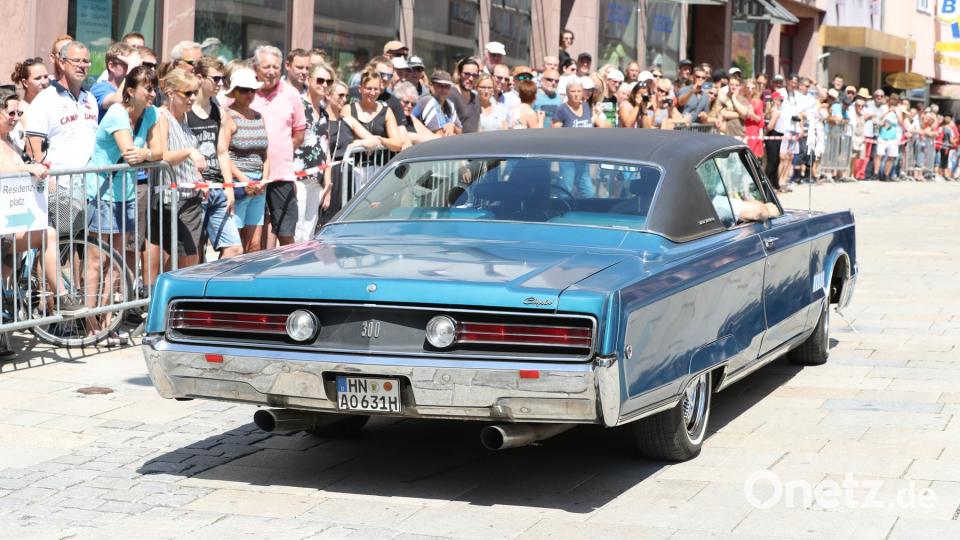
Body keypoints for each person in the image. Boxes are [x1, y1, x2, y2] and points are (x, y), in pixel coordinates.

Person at [84, 66, 161, 341]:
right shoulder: (117, 112)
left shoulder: (151, 113)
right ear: (130, 90)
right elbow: (130, 154)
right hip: (102, 191)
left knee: (115, 261)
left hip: (125, 192)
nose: (152, 93)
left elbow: (159, 150)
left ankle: (107, 321)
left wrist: (148, 153)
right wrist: (147, 153)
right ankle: (90, 320)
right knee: (98, 260)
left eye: (154, 88)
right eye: (147, 88)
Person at [0, 91, 86, 316]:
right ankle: (60, 297)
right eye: (10, 112)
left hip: (10, 221)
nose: (15, 117)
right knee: (46, 235)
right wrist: (26, 168)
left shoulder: (11, 141)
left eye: (18, 112)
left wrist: (40, 171)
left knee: (45, 235)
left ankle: (58, 298)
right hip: (4, 225)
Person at [147, 68, 207, 291]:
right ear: (171, 93)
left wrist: (199, 178)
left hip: (190, 196)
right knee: (185, 258)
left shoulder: (183, 118)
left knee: (188, 257)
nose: (192, 98)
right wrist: (189, 151)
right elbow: (162, 155)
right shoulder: (162, 116)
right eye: (188, 93)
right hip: (171, 197)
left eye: (195, 92)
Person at [250, 45, 306, 248]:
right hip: (252, 176)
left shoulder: (291, 94)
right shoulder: (246, 92)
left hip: (281, 175)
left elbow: (300, 132)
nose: (272, 72)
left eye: (275, 66)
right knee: (254, 239)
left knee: (286, 234)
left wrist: (282, 149)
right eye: (266, 67)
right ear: (255, 68)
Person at [188, 56, 242, 259]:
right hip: (195, 189)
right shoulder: (186, 109)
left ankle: (217, 288)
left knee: (234, 248)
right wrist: (198, 181)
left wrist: (229, 187)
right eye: (215, 79)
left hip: (218, 187)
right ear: (200, 78)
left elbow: (222, 152)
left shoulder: (217, 109)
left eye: (222, 79)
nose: (220, 83)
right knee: (194, 252)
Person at [223, 68, 268, 253]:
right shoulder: (227, 115)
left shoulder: (259, 116)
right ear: (234, 91)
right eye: (244, 89)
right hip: (238, 185)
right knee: (234, 245)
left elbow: (266, 153)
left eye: (253, 90)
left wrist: (264, 179)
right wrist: (244, 180)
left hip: (260, 184)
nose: (249, 94)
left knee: (255, 245)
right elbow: (223, 153)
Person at [292, 63, 332, 243]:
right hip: (297, 176)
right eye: (320, 80)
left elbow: (326, 148)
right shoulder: (298, 105)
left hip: (317, 178)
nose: (324, 85)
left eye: (328, 81)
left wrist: (328, 183)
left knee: (309, 230)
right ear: (309, 81)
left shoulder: (324, 113)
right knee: (296, 228)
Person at [344, 70, 404, 190]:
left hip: (378, 170)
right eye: (368, 88)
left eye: (376, 89)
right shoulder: (348, 109)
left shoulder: (386, 112)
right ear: (360, 88)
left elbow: (397, 144)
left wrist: (380, 140)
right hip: (353, 170)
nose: (372, 92)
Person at [552, 78, 596, 197]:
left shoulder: (587, 106)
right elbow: (554, 132)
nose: (576, 94)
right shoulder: (562, 109)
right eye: (573, 91)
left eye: (578, 91)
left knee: (589, 193)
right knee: (566, 190)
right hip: (568, 158)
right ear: (567, 92)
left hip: (584, 157)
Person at [90, 42, 140, 120]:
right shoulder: (99, 88)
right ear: (111, 66)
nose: (133, 68)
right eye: (127, 64)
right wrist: (130, 70)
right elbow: (117, 101)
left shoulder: (135, 90)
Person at [9, 57, 49, 151]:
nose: (44, 82)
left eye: (46, 77)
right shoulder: (20, 110)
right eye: (38, 78)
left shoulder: (52, 104)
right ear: (25, 82)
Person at [414, 71, 462, 136]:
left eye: (447, 86)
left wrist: (453, 126)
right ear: (431, 86)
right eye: (441, 86)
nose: (444, 90)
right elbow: (439, 135)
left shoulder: (450, 104)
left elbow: (461, 131)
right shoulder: (428, 100)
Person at [449, 58, 480, 134]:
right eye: (467, 74)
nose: (471, 78)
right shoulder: (450, 94)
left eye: (474, 75)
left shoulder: (476, 97)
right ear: (459, 74)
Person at [743, 78, 765, 158]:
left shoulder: (758, 102)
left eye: (752, 88)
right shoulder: (742, 99)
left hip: (753, 130)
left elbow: (760, 119)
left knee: (752, 156)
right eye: (748, 88)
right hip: (742, 128)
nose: (750, 90)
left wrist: (751, 113)